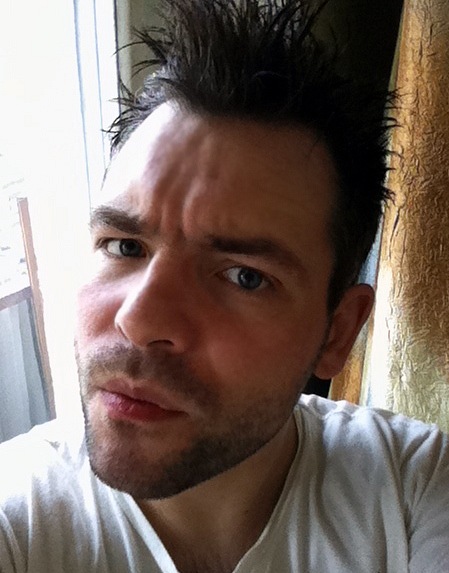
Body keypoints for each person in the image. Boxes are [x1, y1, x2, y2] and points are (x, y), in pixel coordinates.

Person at [1, 0, 448, 571]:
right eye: (125, 246)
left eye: (245, 276)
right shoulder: (18, 516)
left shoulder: (413, 490)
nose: (139, 319)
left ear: (337, 332)